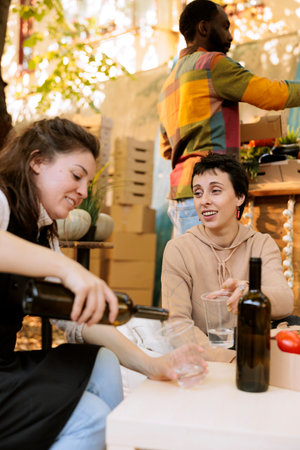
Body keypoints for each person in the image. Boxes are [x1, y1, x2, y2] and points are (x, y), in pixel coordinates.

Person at [0, 118, 207, 450]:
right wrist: (67, 270)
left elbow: (77, 316)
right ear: (37, 161)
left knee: (103, 361)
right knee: (92, 416)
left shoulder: (43, 231)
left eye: (88, 182)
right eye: (76, 175)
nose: (83, 192)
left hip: (5, 366)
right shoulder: (2, 200)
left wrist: (152, 364)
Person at [157, 0, 300, 237]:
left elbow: (166, 149)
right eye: (224, 26)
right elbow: (269, 94)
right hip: (210, 192)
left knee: (190, 272)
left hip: (181, 195)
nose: (230, 35)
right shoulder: (212, 64)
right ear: (203, 28)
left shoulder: (168, 84)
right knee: (212, 274)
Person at [161, 154, 294, 363]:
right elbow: (177, 323)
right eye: (198, 192)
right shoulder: (178, 249)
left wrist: (250, 293)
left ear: (240, 197)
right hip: (207, 348)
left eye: (215, 191)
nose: (204, 200)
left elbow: (285, 302)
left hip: (252, 341)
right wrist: (227, 358)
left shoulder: (260, 243)